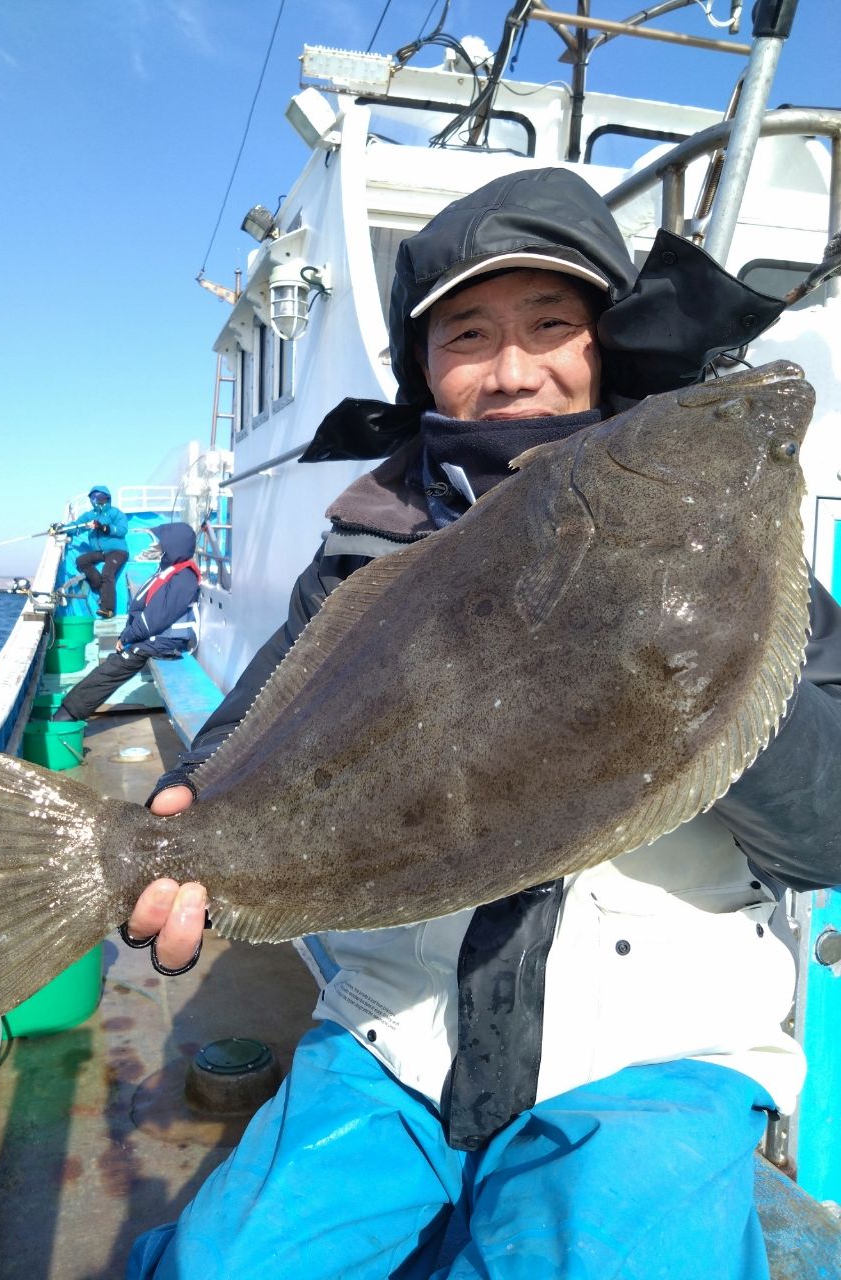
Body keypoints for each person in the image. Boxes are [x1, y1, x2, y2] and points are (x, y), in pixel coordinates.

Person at [123, 169, 841, 1279]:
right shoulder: (365, 550)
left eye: (552, 324)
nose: (512, 369)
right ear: (424, 365)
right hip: (394, 1035)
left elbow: (829, 830)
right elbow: (256, 725)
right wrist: (189, 819)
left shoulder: (749, 571)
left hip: (655, 1053)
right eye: (467, 334)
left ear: (606, 344)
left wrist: (683, 647)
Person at [52, 523, 202, 723]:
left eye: (162, 541)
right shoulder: (170, 569)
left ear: (174, 545)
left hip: (165, 642)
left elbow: (155, 619)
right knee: (113, 664)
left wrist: (127, 637)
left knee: (115, 666)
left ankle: (66, 716)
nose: (157, 544)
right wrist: (127, 635)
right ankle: (66, 711)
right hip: (153, 637)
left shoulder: (183, 578)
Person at [54, 484, 129, 618]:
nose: (96, 500)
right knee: (81, 561)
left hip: (117, 550)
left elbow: (122, 530)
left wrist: (104, 527)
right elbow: (76, 526)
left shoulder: (115, 513)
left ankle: (108, 609)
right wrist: (61, 529)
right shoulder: (90, 515)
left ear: (107, 498)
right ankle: (101, 588)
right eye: (93, 497)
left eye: (99, 496)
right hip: (101, 552)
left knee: (107, 572)